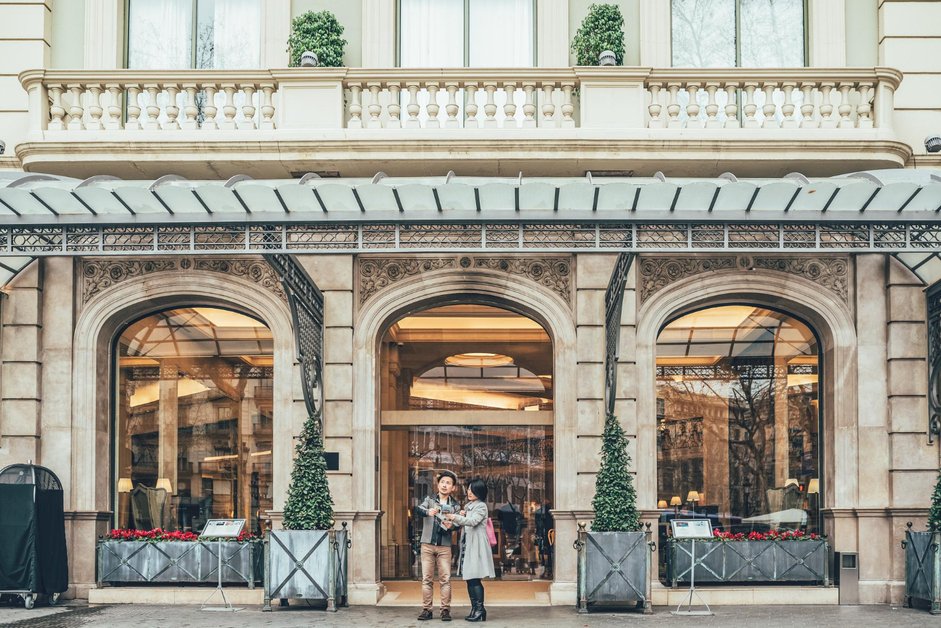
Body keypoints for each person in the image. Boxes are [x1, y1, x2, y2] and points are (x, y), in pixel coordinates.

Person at [445, 478, 495, 622]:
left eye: (472, 489)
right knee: (469, 579)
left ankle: (480, 610)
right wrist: (457, 519)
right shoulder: (469, 506)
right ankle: (475, 609)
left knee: (474, 579)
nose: (469, 492)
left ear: (479, 492)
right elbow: (465, 522)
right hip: (469, 546)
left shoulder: (481, 507)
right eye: (468, 489)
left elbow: (472, 522)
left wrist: (455, 517)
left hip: (477, 546)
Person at [414, 470, 460, 621]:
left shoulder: (455, 506)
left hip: (445, 546)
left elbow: (458, 524)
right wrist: (428, 511)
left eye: (448, 483)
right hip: (427, 544)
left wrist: (451, 525)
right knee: (427, 579)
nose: (445, 485)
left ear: (453, 487)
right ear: (438, 484)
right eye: (442, 482)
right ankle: (427, 610)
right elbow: (418, 509)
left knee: (445, 579)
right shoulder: (429, 499)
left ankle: (445, 610)